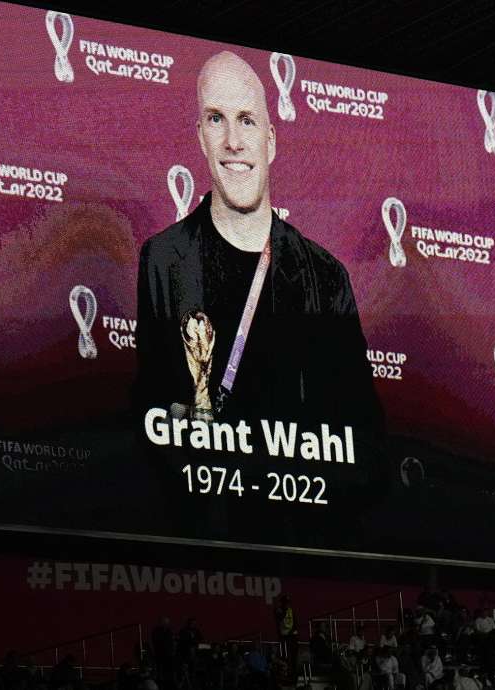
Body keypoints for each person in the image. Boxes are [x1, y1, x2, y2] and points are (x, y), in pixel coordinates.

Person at [134, 50, 383, 431]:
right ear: (201, 136)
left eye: (247, 121)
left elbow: (361, 436)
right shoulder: (162, 259)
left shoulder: (326, 277)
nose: (233, 141)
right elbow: (150, 417)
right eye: (217, 119)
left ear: (271, 140)